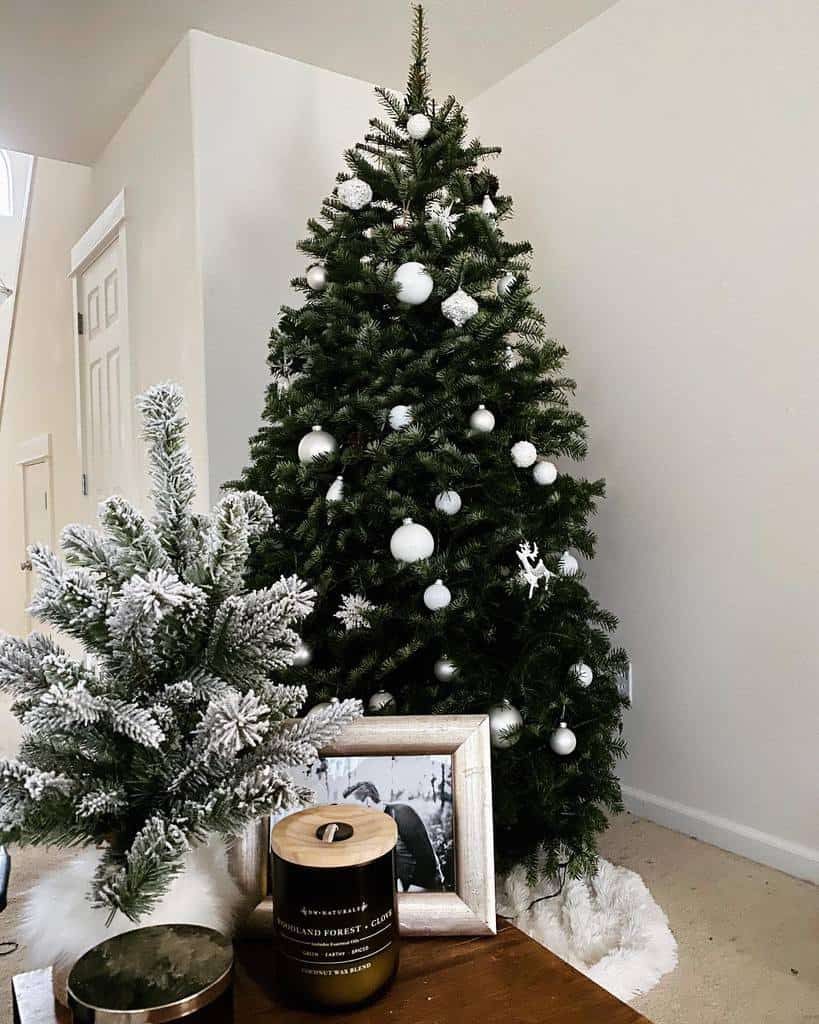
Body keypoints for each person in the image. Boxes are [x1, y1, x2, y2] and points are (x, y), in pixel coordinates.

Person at [343, 781, 445, 892]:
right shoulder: (368, 830)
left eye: (353, 811)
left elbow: (428, 862)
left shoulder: (401, 813)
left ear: (368, 802)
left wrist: (408, 894)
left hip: (423, 890)